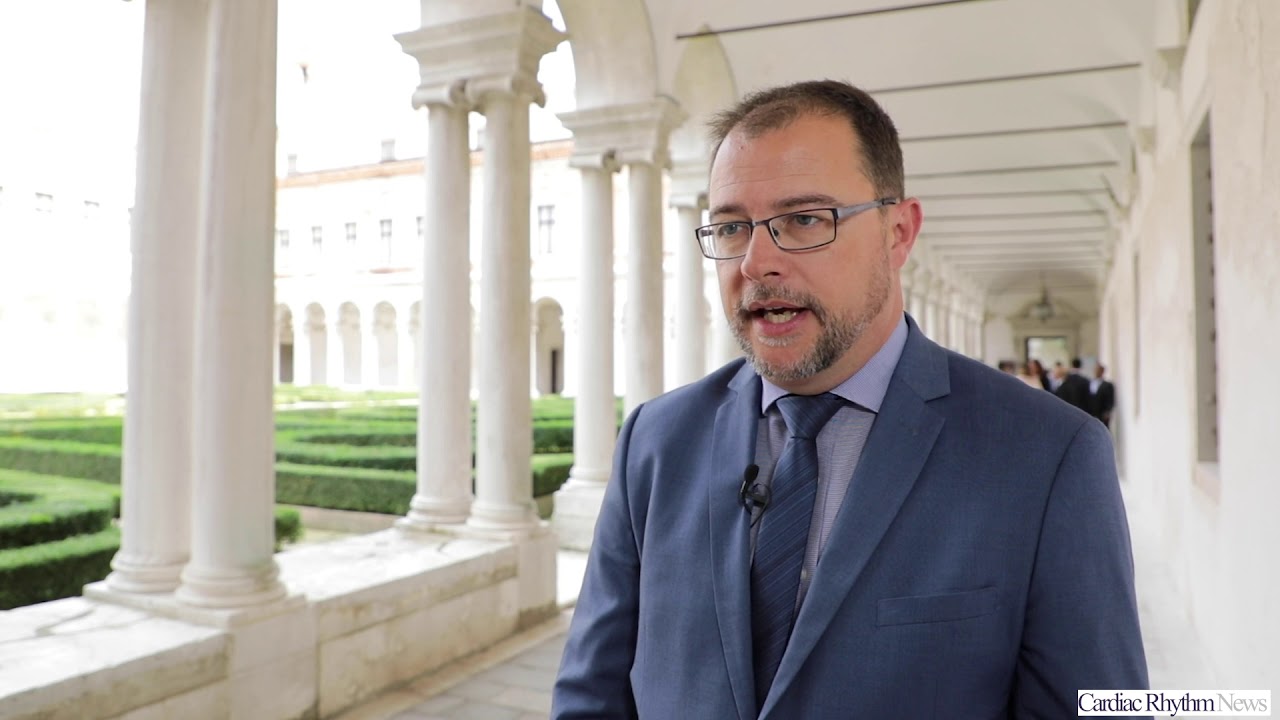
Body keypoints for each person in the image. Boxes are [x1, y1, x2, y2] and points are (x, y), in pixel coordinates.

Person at [552, 80, 1147, 719]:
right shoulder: (655, 440)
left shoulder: (1049, 455)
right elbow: (591, 696)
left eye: (805, 219)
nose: (755, 262)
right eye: (731, 227)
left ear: (898, 233)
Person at [1090, 363, 1116, 428]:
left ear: (1102, 372)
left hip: (1102, 413)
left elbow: (1111, 399)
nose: (1096, 372)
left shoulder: (1108, 385)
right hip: (1092, 413)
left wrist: (1108, 411)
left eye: (1098, 370)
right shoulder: (1090, 383)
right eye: (1095, 370)